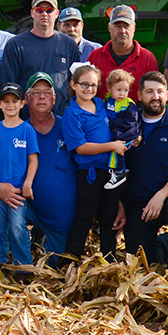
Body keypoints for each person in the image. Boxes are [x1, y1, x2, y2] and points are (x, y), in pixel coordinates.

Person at [120, 71, 168, 271]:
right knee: (142, 265)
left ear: (167, 95)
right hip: (136, 206)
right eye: (150, 92)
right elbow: (115, 167)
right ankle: (162, 244)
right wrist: (118, 204)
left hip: (167, 198)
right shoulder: (127, 123)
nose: (156, 97)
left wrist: (161, 195)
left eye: (160, 92)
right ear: (139, 95)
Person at [61, 63, 123, 261]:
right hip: (90, 172)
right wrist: (112, 146)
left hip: (111, 171)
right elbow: (81, 147)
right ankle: (70, 261)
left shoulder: (102, 105)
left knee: (109, 218)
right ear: (73, 84)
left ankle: (109, 260)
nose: (89, 89)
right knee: (84, 217)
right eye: (84, 85)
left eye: (93, 85)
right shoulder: (72, 113)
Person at [0, 83, 40, 266]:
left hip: (18, 191)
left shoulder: (27, 130)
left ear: (22, 103)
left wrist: (28, 183)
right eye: (6, 101)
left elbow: (33, 159)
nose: (10, 105)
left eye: (15, 101)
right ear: (0, 104)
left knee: (17, 226)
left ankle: (23, 266)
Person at [23, 73, 76, 262]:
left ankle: (41, 238)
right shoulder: (19, 130)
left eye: (47, 93)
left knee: (51, 267)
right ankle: (12, 259)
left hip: (59, 218)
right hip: (27, 207)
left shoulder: (68, 127)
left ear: (54, 99)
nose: (42, 97)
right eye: (36, 93)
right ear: (26, 99)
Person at [0, 0, 81, 96]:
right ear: (32, 13)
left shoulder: (69, 44)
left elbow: (76, 82)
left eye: (49, 10)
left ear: (57, 13)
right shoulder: (16, 45)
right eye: (39, 10)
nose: (44, 14)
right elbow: (9, 86)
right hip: (27, 111)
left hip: (60, 111)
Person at [88, 4, 159, 86]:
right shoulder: (95, 56)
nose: (122, 31)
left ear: (134, 28)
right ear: (109, 28)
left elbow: (153, 91)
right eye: (118, 26)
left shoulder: (147, 58)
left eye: (126, 26)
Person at [101, 68, 139, 190]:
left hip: (126, 134)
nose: (122, 94)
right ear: (109, 89)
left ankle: (118, 173)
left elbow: (131, 121)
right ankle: (118, 169)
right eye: (118, 90)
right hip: (114, 133)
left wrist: (114, 125)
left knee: (116, 150)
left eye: (125, 90)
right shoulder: (107, 100)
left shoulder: (129, 104)